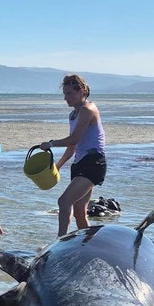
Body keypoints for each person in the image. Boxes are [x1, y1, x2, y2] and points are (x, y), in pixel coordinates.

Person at [29, 74, 107, 237]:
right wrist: (57, 165)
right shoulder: (74, 114)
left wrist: (50, 144)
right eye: (64, 94)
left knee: (64, 201)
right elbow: (72, 146)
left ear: (82, 91)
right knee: (79, 211)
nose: (66, 98)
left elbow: (74, 138)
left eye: (69, 93)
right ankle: (88, 244)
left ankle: (60, 241)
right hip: (80, 163)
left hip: (93, 163)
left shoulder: (87, 109)